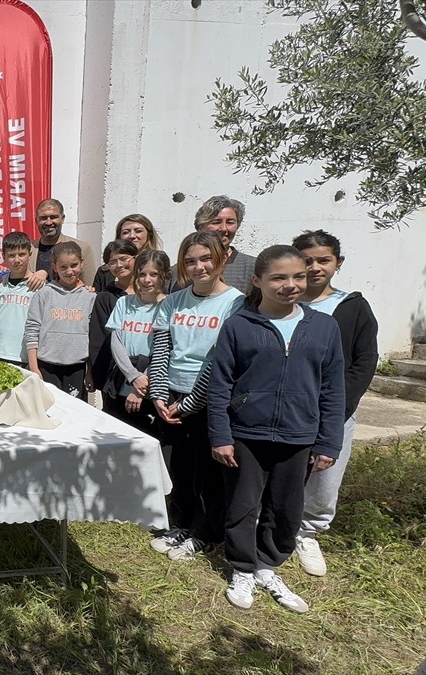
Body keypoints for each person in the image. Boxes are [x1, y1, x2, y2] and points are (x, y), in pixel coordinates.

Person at [209, 245, 344, 614]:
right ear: (258, 281)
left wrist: (329, 441)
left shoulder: (324, 327)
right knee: (242, 504)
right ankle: (242, 567)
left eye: (298, 276)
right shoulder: (239, 325)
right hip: (246, 434)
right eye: (279, 278)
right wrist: (221, 435)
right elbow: (220, 383)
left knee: (286, 508)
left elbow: (333, 387)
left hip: (299, 435)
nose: (291, 285)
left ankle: (268, 564)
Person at [146, 231, 245, 562]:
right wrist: (159, 395)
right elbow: (162, 349)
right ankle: (181, 524)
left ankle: (206, 533)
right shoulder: (174, 300)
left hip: (211, 399)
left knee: (209, 472)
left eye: (206, 258)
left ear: (222, 258)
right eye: (191, 261)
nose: (199, 266)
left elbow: (220, 359)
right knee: (179, 467)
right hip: (171, 396)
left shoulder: (236, 303)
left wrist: (191, 404)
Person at [292, 230, 378, 577]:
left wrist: (340, 407)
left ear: (337, 263)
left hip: (333, 410)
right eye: (307, 261)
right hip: (287, 408)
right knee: (283, 471)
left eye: (323, 260)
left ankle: (308, 531)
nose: (314, 267)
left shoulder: (352, 307)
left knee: (324, 476)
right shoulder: (282, 301)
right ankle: (275, 526)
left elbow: (365, 360)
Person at [101, 249, 170, 435]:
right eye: (142, 274)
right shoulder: (124, 303)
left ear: (165, 275)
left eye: (154, 274)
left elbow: (164, 350)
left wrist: (140, 389)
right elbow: (116, 342)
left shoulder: (170, 306)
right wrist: (132, 376)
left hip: (151, 383)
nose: (147, 280)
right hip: (122, 378)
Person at [25, 241, 96, 400]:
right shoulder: (43, 295)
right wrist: (34, 367)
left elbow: (92, 339)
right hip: (46, 367)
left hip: (77, 368)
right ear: (55, 267)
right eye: (63, 267)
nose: (69, 271)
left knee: (75, 414)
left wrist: (90, 372)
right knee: (50, 410)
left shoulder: (90, 297)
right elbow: (31, 331)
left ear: (81, 264)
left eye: (74, 265)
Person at [88, 240, 139, 395]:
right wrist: (94, 374)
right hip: (114, 375)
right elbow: (97, 339)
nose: (119, 265)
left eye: (124, 259)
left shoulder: (152, 293)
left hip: (149, 372)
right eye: (112, 262)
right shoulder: (105, 297)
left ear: (136, 258)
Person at [0, 232, 35, 368]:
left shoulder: (38, 286)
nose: (16, 260)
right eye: (11, 255)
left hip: (23, 356)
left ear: (30, 254)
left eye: (22, 254)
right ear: (4, 257)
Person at [193, 196, 256, 293]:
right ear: (200, 226)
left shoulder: (253, 267)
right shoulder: (180, 271)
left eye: (230, 222)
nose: (223, 228)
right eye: (216, 222)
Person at [27, 199, 96, 287]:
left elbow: (90, 286)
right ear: (36, 221)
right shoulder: (28, 250)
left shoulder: (82, 248)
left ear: (62, 219)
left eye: (53, 217)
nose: (48, 222)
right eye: (43, 218)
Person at [92, 214, 165, 292]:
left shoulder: (159, 265)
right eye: (126, 232)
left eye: (138, 231)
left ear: (149, 234)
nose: (132, 236)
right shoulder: (105, 272)